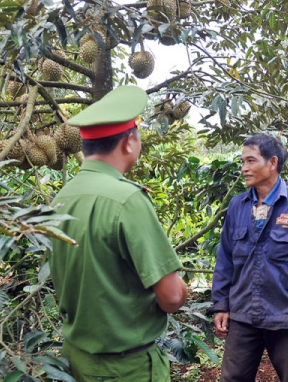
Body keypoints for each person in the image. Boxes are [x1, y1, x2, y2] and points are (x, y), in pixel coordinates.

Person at [49, 85, 188, 382]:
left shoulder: (63, 197)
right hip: (126, 369)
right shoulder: (127, 200)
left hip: (76, 360)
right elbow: (173, 297)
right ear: (128, 143)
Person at [210, 134, 288, 382]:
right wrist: (221, 303)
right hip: (242, 316)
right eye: (242, 161)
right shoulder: (237, 206)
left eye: (251, 160)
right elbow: (225, 259)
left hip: (287, 319)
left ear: (272, 162)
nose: (244, 168)